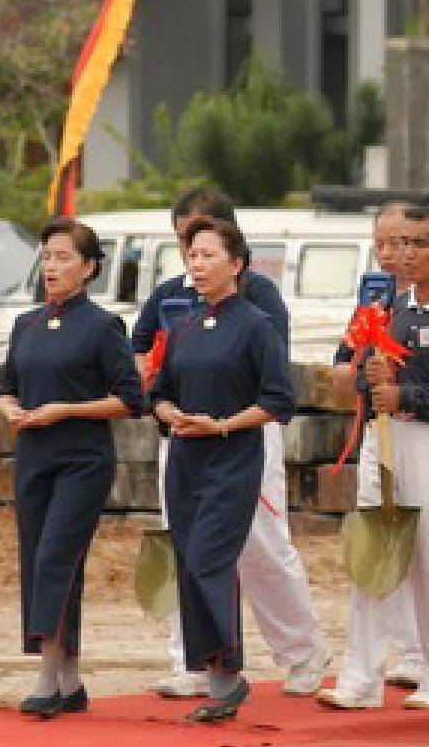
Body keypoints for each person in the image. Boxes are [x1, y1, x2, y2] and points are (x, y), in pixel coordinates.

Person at [134, 188, 330, 700]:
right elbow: (140, 354)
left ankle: (302, 650)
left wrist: (223, 423)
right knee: (189, 546)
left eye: (202, 246)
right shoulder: (171, 297)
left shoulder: (258, 299)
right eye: (184, 245)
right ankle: (194, 659)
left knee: (261, 544)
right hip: (183, 439)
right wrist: (163, 404)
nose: (191, 258)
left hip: (244, 437)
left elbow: (272, 380)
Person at [318, 207, 429, 711]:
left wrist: (408, 396)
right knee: (372, 556)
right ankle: (360, 678)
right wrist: (361, 380)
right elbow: (348, 369)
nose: (407, 254)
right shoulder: (390, 308)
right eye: (402, 243)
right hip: (383, 440)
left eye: (419, 244)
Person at [0, 219, 145, 718]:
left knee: (56, 557)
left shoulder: (103, 327)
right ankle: (70, 679)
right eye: (47, 256)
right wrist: (10, 409)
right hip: (34, 456)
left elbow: (130, 400)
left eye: (63, 257)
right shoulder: (27, 324)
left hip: (83, 460)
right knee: (38, 560)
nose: (51, 266)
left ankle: (47, 673)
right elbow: (5, 386)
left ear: (88, 268)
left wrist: (66, 409)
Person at [152, 217, 297, 721]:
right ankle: (215, 675)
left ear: (237, 265)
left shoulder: (256, 326)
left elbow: (278, 398)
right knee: (187, 562)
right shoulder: (184, 327)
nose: (197, 264)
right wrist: (172, 416)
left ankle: (228, 674)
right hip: (186, 458)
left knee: (207, 561)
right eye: (192, 255)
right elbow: (160, 393)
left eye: (208, 255)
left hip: (233, 459)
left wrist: (224, 426)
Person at [329, 202, 426, 689]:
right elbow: (343, 360)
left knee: (422, 547)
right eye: (381, 242)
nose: (389, 253)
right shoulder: (373, 299)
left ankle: (421, 652)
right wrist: (355, 368)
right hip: (376, 433)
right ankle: (365, 665)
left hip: (427, 433)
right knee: (377, 540)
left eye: (400, 242)